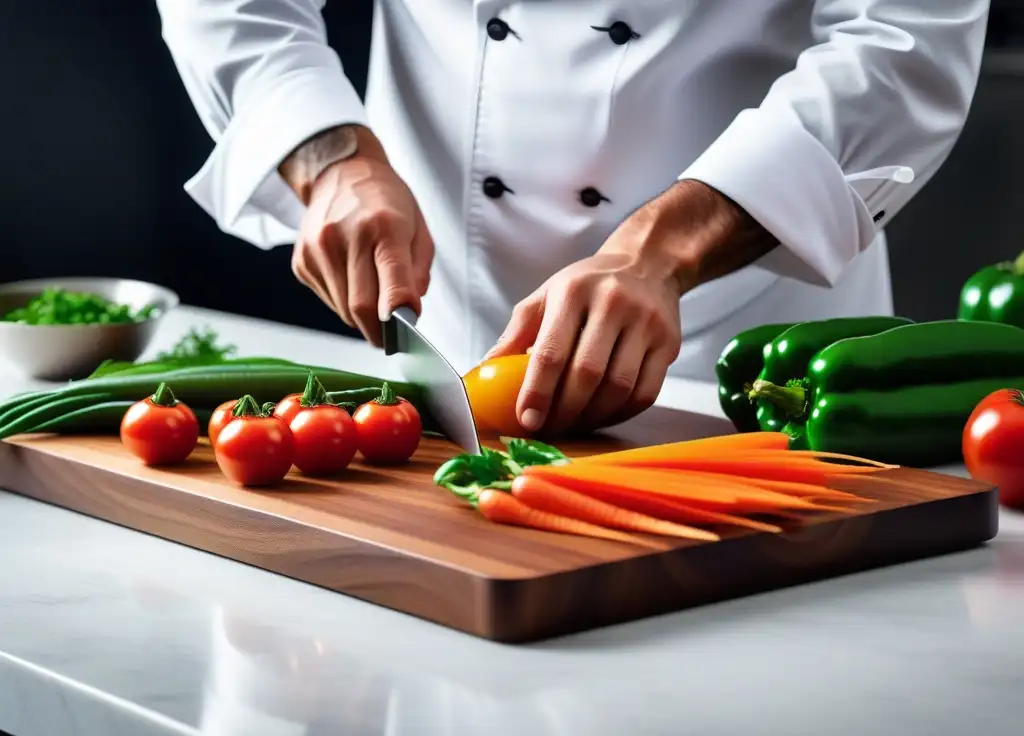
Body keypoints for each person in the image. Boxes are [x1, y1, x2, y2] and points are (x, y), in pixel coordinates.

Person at [155, 1, 988, 435]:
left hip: (750, 339)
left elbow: (901, 41)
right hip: (441, 309)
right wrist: (328, 158)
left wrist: (662, 253)